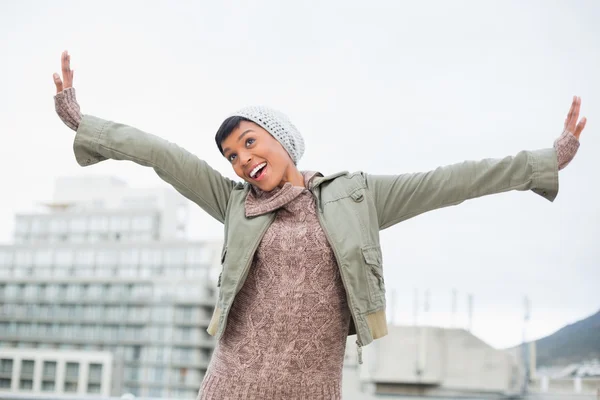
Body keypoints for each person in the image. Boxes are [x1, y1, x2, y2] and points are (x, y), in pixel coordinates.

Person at [53, 50, 586, 400]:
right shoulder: (234, 203)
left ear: (281, 139)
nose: (242, 161)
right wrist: (86, 124)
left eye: (249, 142)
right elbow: (161, 155)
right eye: (231, 156)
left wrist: (542, 162)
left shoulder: (356, 198)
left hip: (312, 388)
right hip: (231, 384)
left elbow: (451, 181)